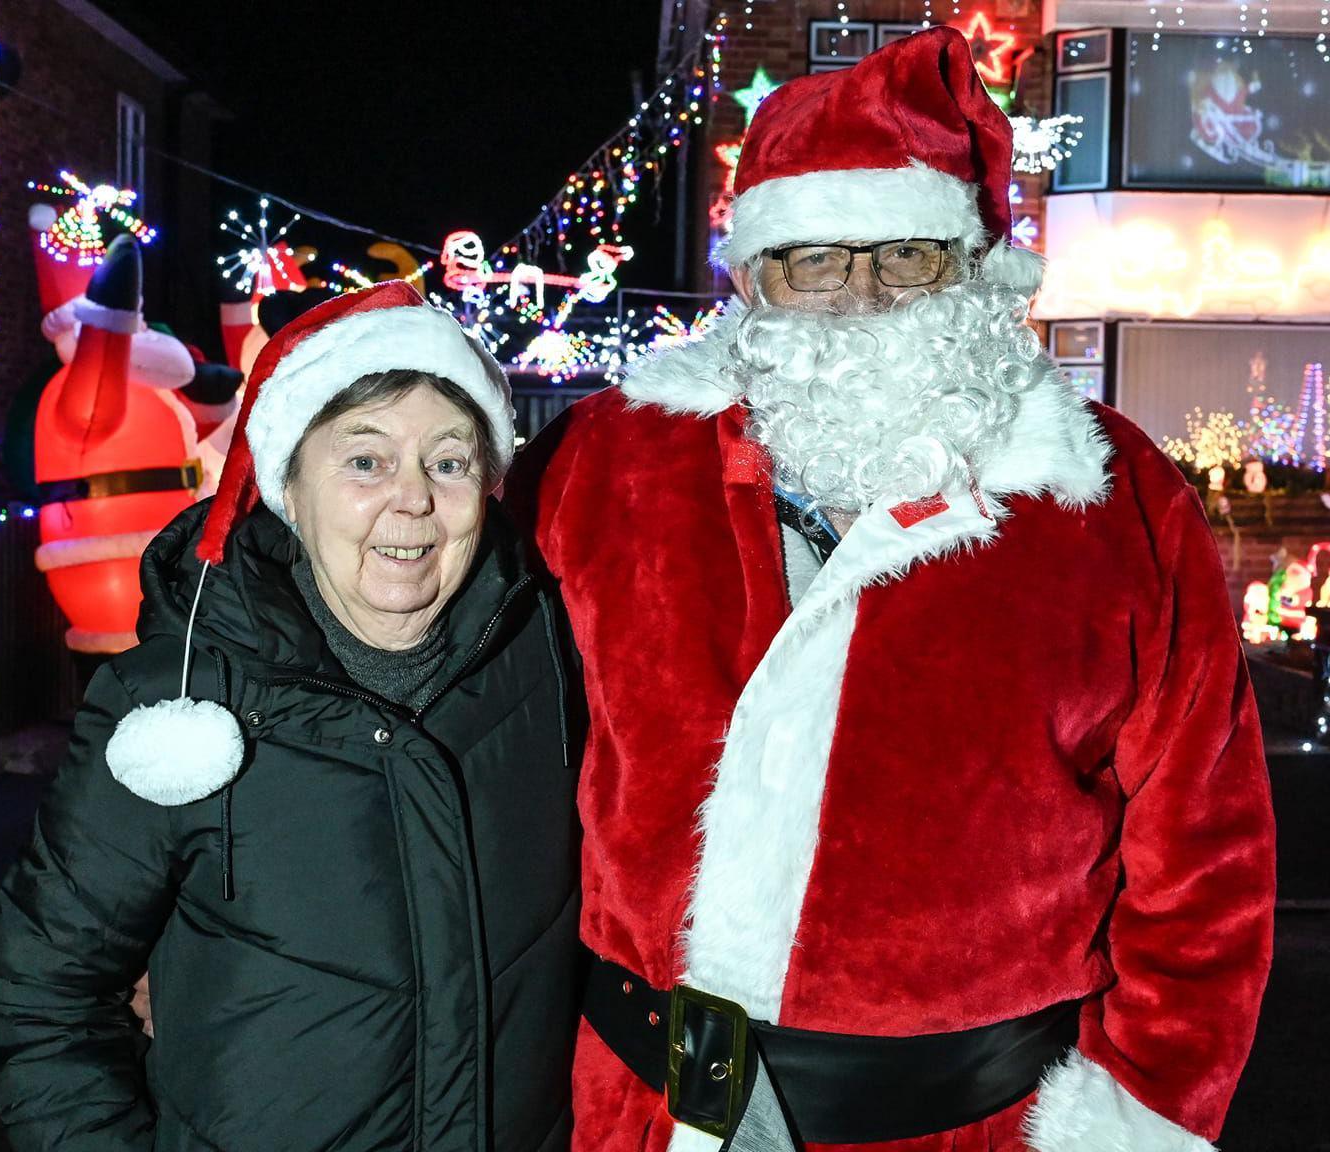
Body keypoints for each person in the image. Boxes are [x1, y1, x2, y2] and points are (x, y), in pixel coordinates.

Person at [508, 26, 1275, 1152]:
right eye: (814, 258)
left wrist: (1144, 1108)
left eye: (905, 254)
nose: (861, 295)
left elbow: (1205, 846)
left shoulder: (1111, 497)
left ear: (971, 268)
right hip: (650, 1107)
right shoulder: (606, 463)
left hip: (974, 1121)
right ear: (755, 279)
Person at [0, 281, 580, 1152]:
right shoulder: (179, 702)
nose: (412, 500)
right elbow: (41, 991)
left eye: (448, 461)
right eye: (365, 461)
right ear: (291, 481)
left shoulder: (547, 659)